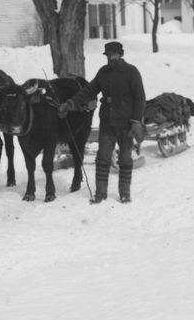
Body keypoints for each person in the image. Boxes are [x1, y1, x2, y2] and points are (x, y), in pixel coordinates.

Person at [59, 41, 145, 204]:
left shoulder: (131, 72)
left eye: (114, 55)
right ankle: (100, 193)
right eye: (108, 55)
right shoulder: (103, 73)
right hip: (107, 123)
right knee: (102, 158)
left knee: (125, 159)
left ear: (120, 55)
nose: (111, 58)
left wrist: (136, 121)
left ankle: (125, 193)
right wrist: (70, 103)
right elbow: (88, 91)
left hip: (126, 124)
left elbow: (140, 98)